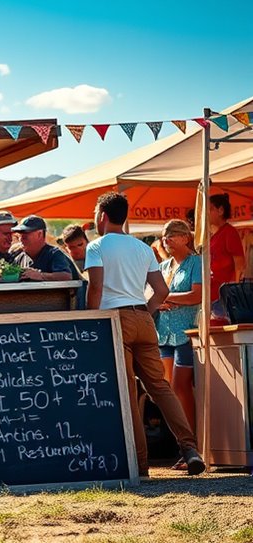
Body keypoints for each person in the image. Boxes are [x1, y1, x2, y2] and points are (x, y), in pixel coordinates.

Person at [84, 191, 205, 477]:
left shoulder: (96, 247)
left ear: (102, 216)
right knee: (161, 388)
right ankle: (189, 449)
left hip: (114, 320)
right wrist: (147, 311)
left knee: (128, 392)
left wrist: (91, 319)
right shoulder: (141, 248)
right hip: (142, 317)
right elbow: (162, 291)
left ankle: (140, 465)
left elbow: (96, 289)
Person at [155, 220, 201, 448]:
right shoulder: (163, 267)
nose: (167, 239)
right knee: (169, 391)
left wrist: (167, 298)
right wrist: (159, 301)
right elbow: (152, 295)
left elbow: (197, 296)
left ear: (186, 237)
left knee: (181, 387)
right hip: (163, 333)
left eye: (172, 234)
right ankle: (182, 446)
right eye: (164, 235)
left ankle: (191, 445)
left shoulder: (197, 263)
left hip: (186, 333)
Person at [208, 193, 245, 319]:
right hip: (213, 295)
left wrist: (234, 293)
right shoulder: (213, 235)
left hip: (225, 297)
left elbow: (240, 265)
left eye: (210, 209)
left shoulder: (229, 232)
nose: (206, 214)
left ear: (221, 210)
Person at [11, 215, 77, 282]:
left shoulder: (54, 254)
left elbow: (66, 276)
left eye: (25, 235)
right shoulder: (19, 258)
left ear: (39, 234)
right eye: (20, 235)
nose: (21, 239)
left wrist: (40, 275)